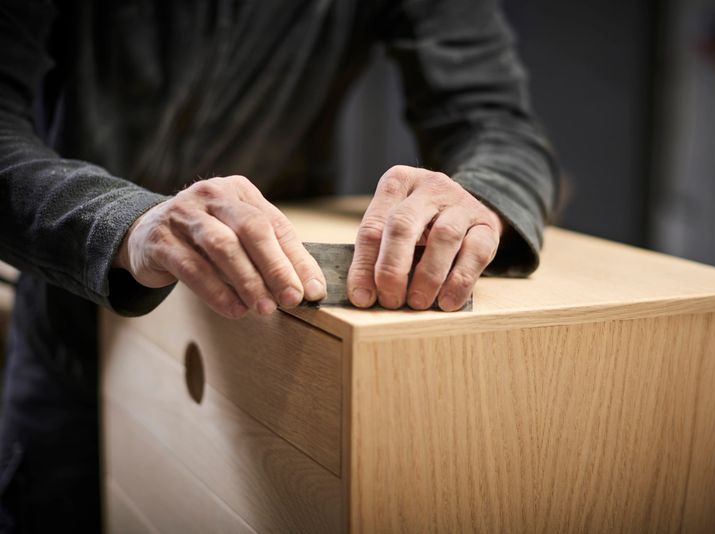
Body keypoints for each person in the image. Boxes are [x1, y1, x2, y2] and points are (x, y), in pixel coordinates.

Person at [0, 0, 558, 531]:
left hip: (272, 364)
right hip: (68, 340)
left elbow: (498, 125)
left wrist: (484, 195)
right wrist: (127, 223)